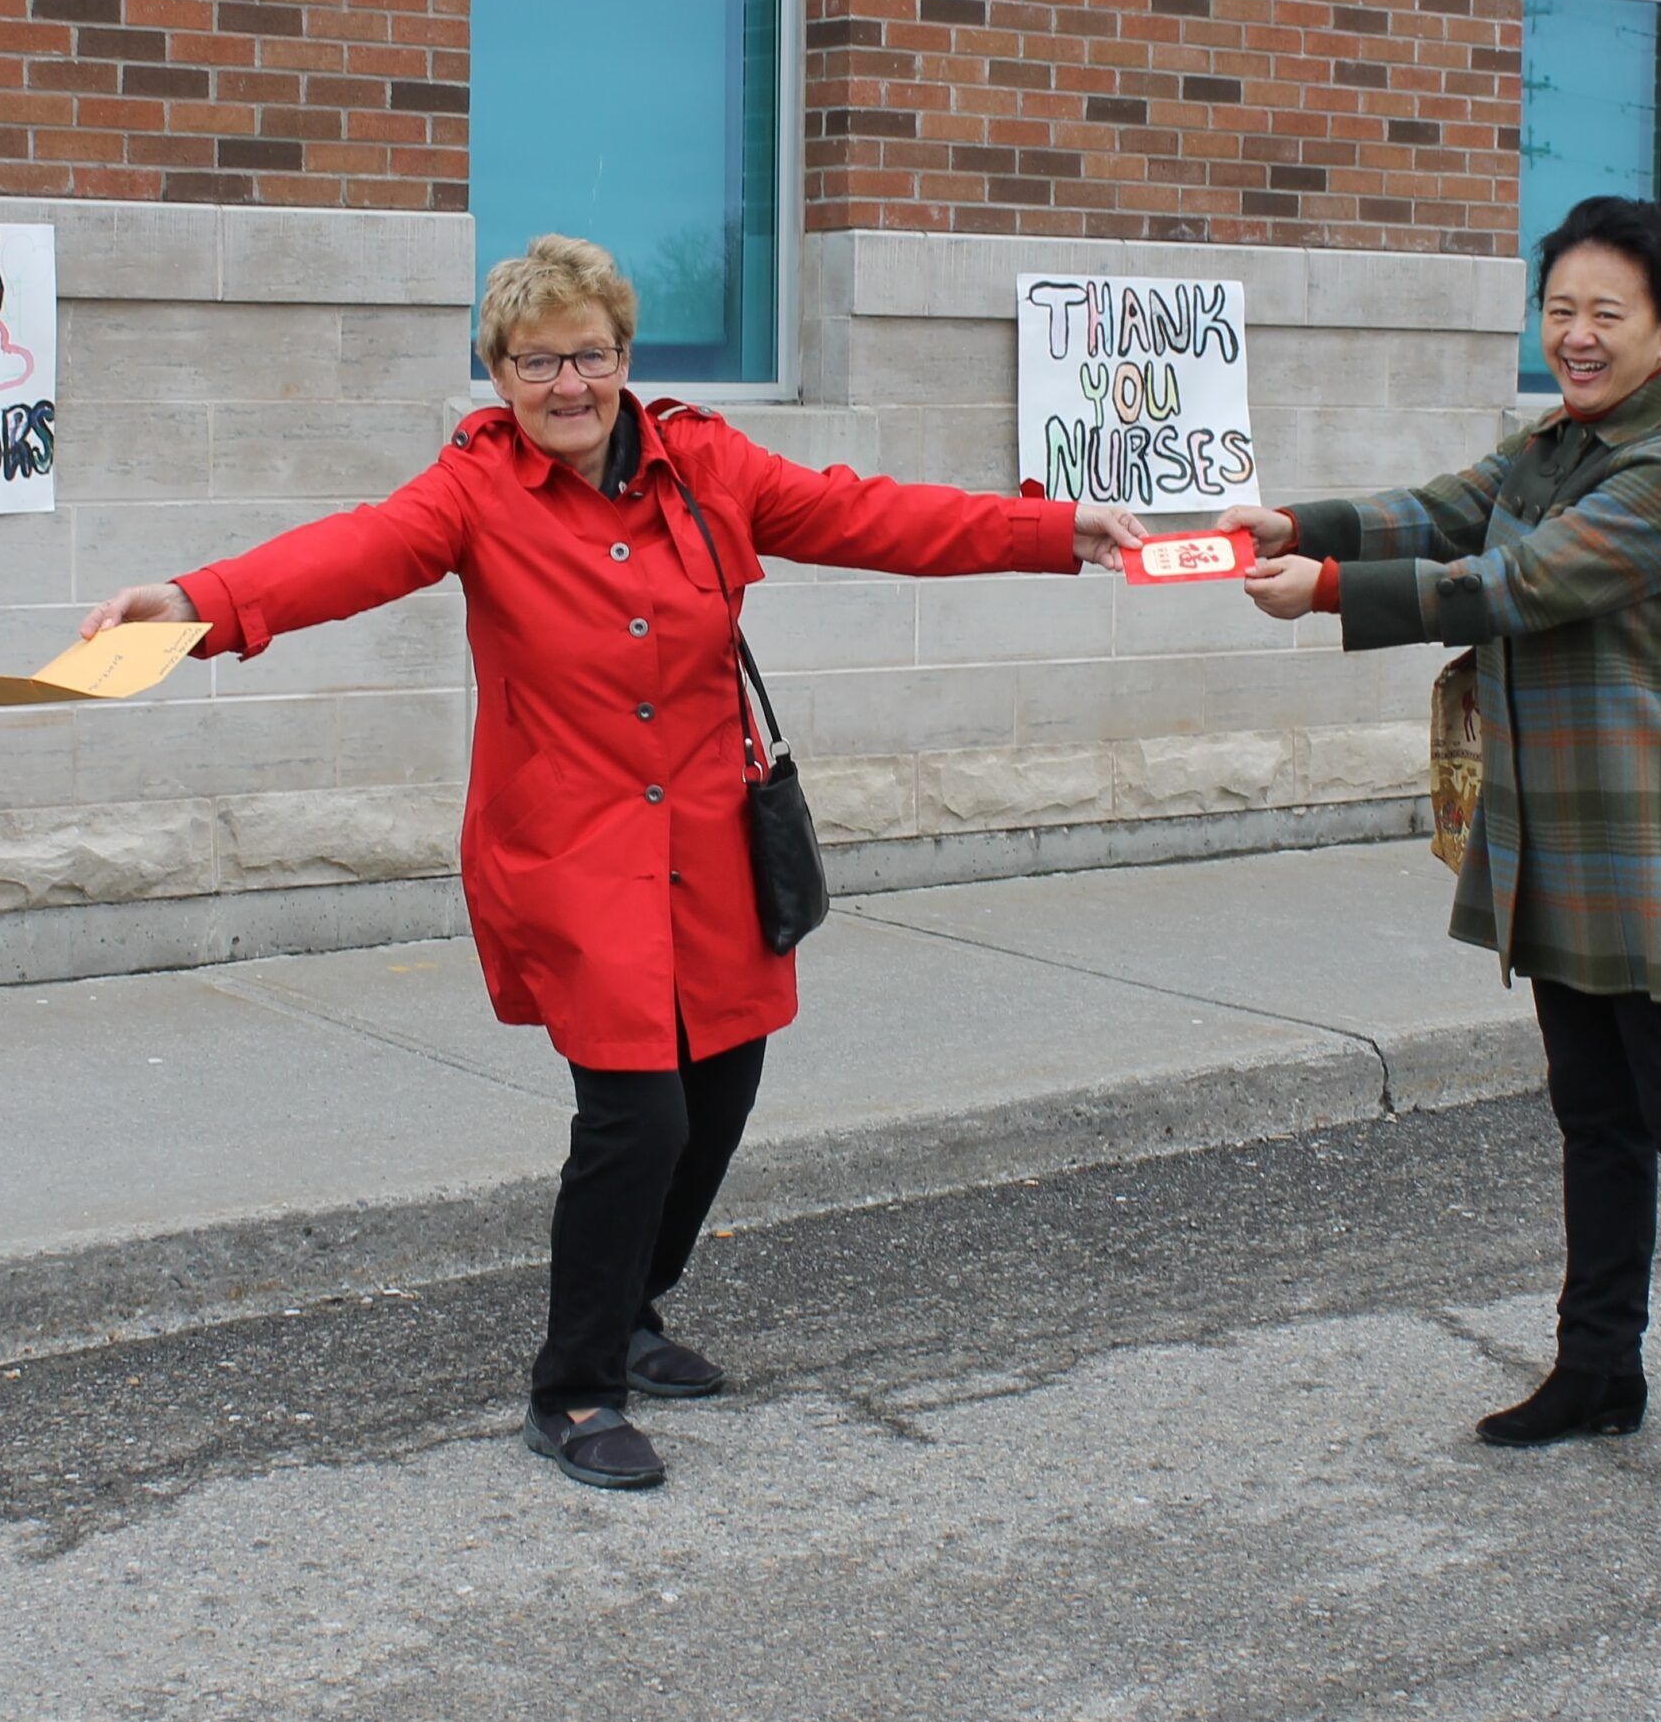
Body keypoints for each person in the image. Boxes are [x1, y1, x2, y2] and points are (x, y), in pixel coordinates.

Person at [84, 234, 1143, 1490]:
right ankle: (574, 1390)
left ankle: (636, 1308)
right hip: (573, 856)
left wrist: (1054, 526)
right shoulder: (471, 492)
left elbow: (870, 515)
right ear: (499, 375)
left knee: (721, 1102)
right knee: (635, 1118)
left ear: (625, 359)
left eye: (588, 355)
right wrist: (193, 600)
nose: (567, 384)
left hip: (710, 845)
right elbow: (345, 553)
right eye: (536, 362)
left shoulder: (705, 461)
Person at [1228, 195, 1661, 1485]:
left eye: (1607, 313)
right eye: (1559, 310)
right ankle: (1598, 1366)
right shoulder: (1552, 441)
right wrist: (1298, 526)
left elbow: (1517, 584)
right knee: (1593, 1112)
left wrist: (1323, 594)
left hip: (1652, 830)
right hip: (1551, 823)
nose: (1577, 335)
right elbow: (1443, 509)